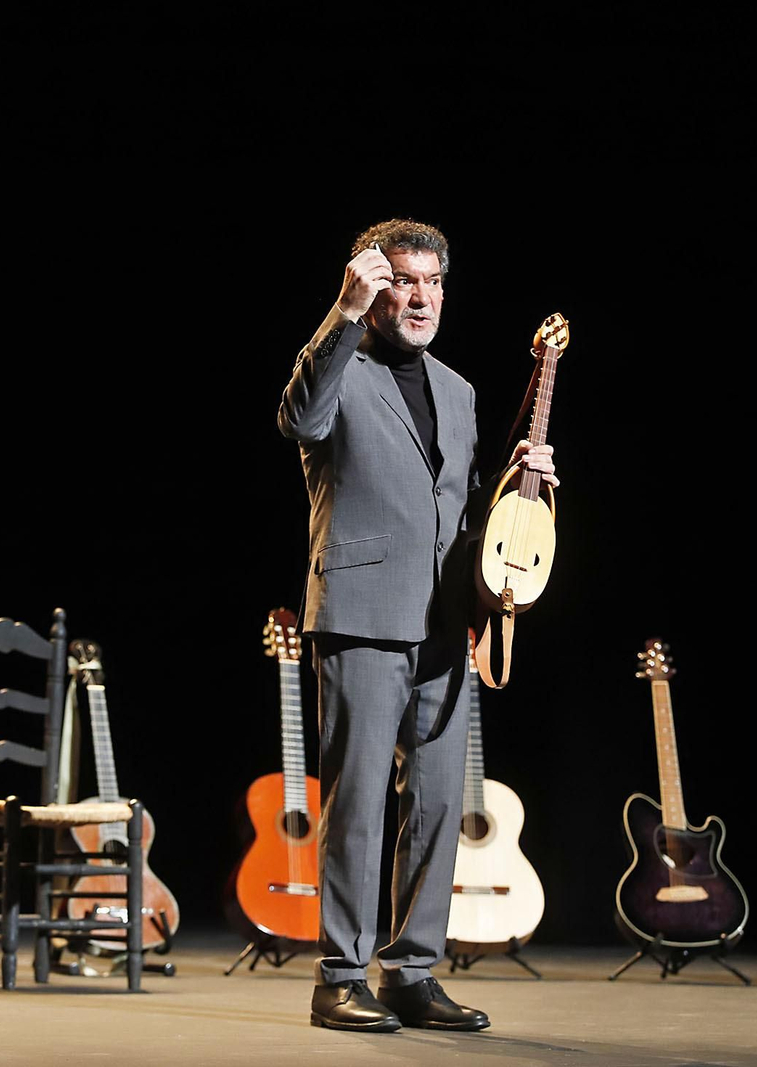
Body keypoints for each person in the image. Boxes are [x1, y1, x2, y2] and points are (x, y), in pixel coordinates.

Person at [277, 219, 556, 1032]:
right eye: (405, 281)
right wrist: (339, 313)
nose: (423, 297)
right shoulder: (339, 369)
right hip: (362, 613)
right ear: (373, 286)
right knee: (357, 804)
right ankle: (338, 973)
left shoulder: (461, 391)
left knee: (437, 806)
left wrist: (526, 490)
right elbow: (298, 419)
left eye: (434, 282)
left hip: (443, 621)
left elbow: (466, 516)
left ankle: (410, 970)